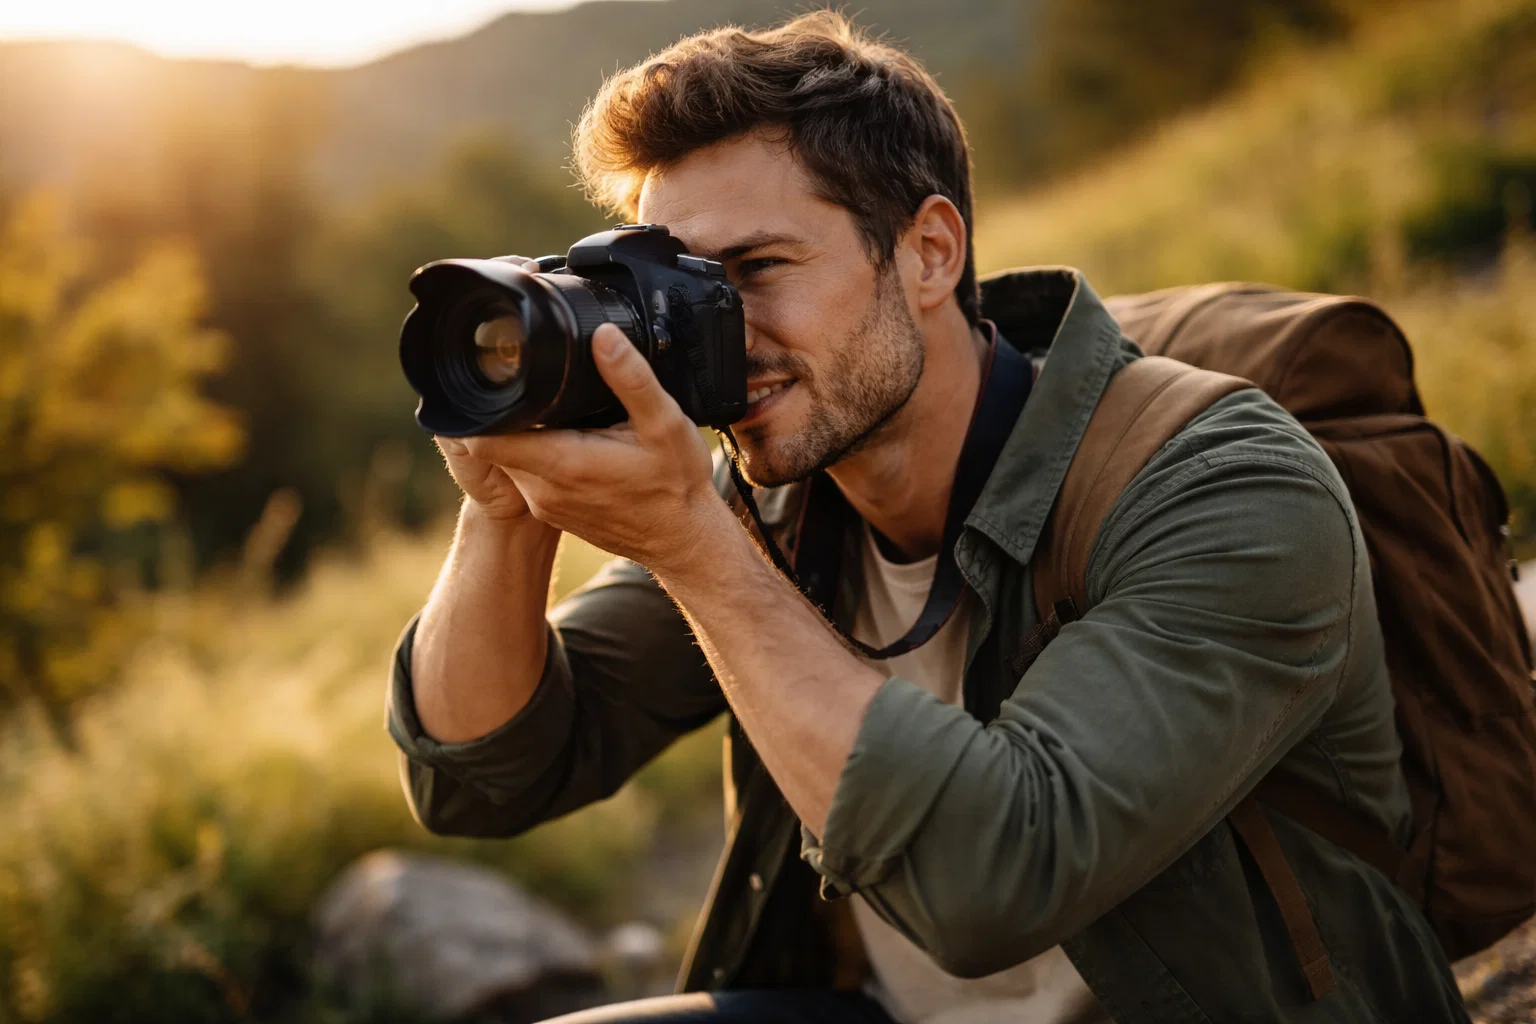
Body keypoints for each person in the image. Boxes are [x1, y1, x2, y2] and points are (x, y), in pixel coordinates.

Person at [386, 12, 1469, 1023]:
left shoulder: (1224, 488)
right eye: (680, 287)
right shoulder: (774, 503)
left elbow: (992, 882)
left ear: (930, 252)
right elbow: (483, 774)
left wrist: (692, 545)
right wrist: (508, 502)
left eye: (757, 269)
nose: (721, 333)